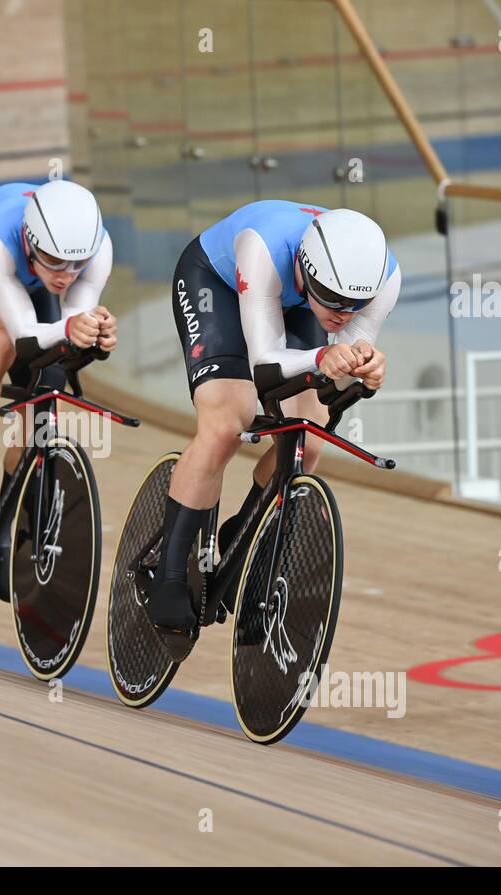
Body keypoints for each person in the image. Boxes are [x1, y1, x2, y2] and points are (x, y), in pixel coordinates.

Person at [149, 201, 400, 650]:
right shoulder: (263, 246)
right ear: (305, 268)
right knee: (228, 420)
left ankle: (244, 529)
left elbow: (336, 381)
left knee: (311, 435)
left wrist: (364, 374)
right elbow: (266, 364)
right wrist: (325, 356)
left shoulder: (381, 282)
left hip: (300, 302)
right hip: (220, 285)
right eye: (335, 299)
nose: (343, 314)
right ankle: (168, 576)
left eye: (355, 305)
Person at [0, 179, 117, 527]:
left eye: (77, 265)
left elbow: (69, 332)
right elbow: (24, 339)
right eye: (53, 260)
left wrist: (94, 337)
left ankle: (6, 518)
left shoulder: (99, 248)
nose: (66, 276)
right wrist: (70, 328)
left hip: (29, 283)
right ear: (30, 242)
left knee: (50, 387)